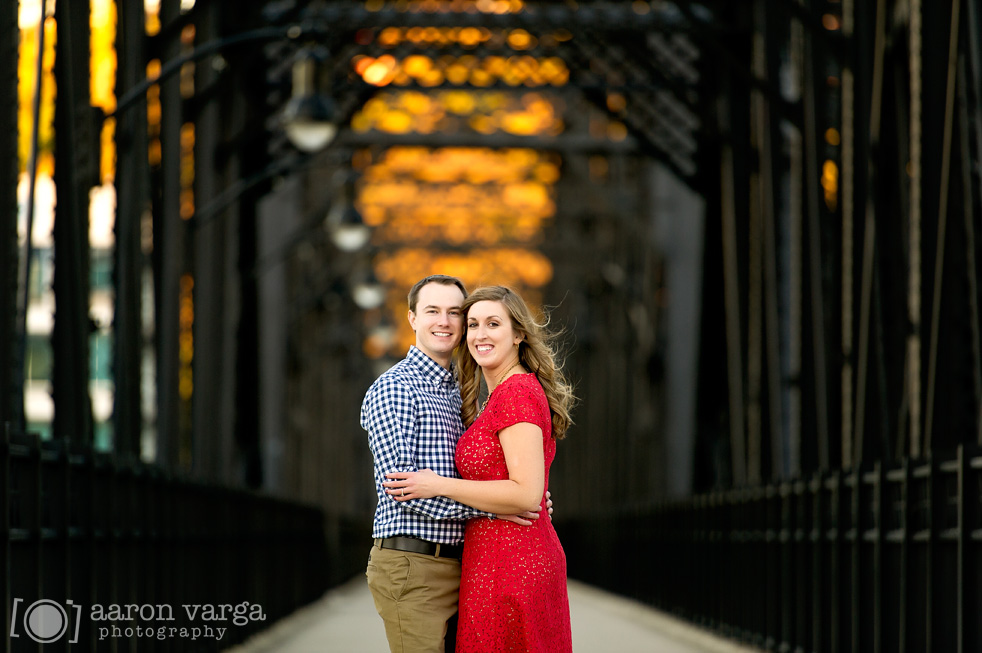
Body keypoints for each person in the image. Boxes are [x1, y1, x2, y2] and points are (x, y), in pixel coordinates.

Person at [384, 285, 575, 653]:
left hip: (515, 564)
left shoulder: (516, 392)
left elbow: (525, 493)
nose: (480, 334)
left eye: (493, 323)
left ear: (518, 333)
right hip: (492, 561)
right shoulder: (493, 395)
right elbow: (519, 488)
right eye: (472, 324)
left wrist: (439, 484)